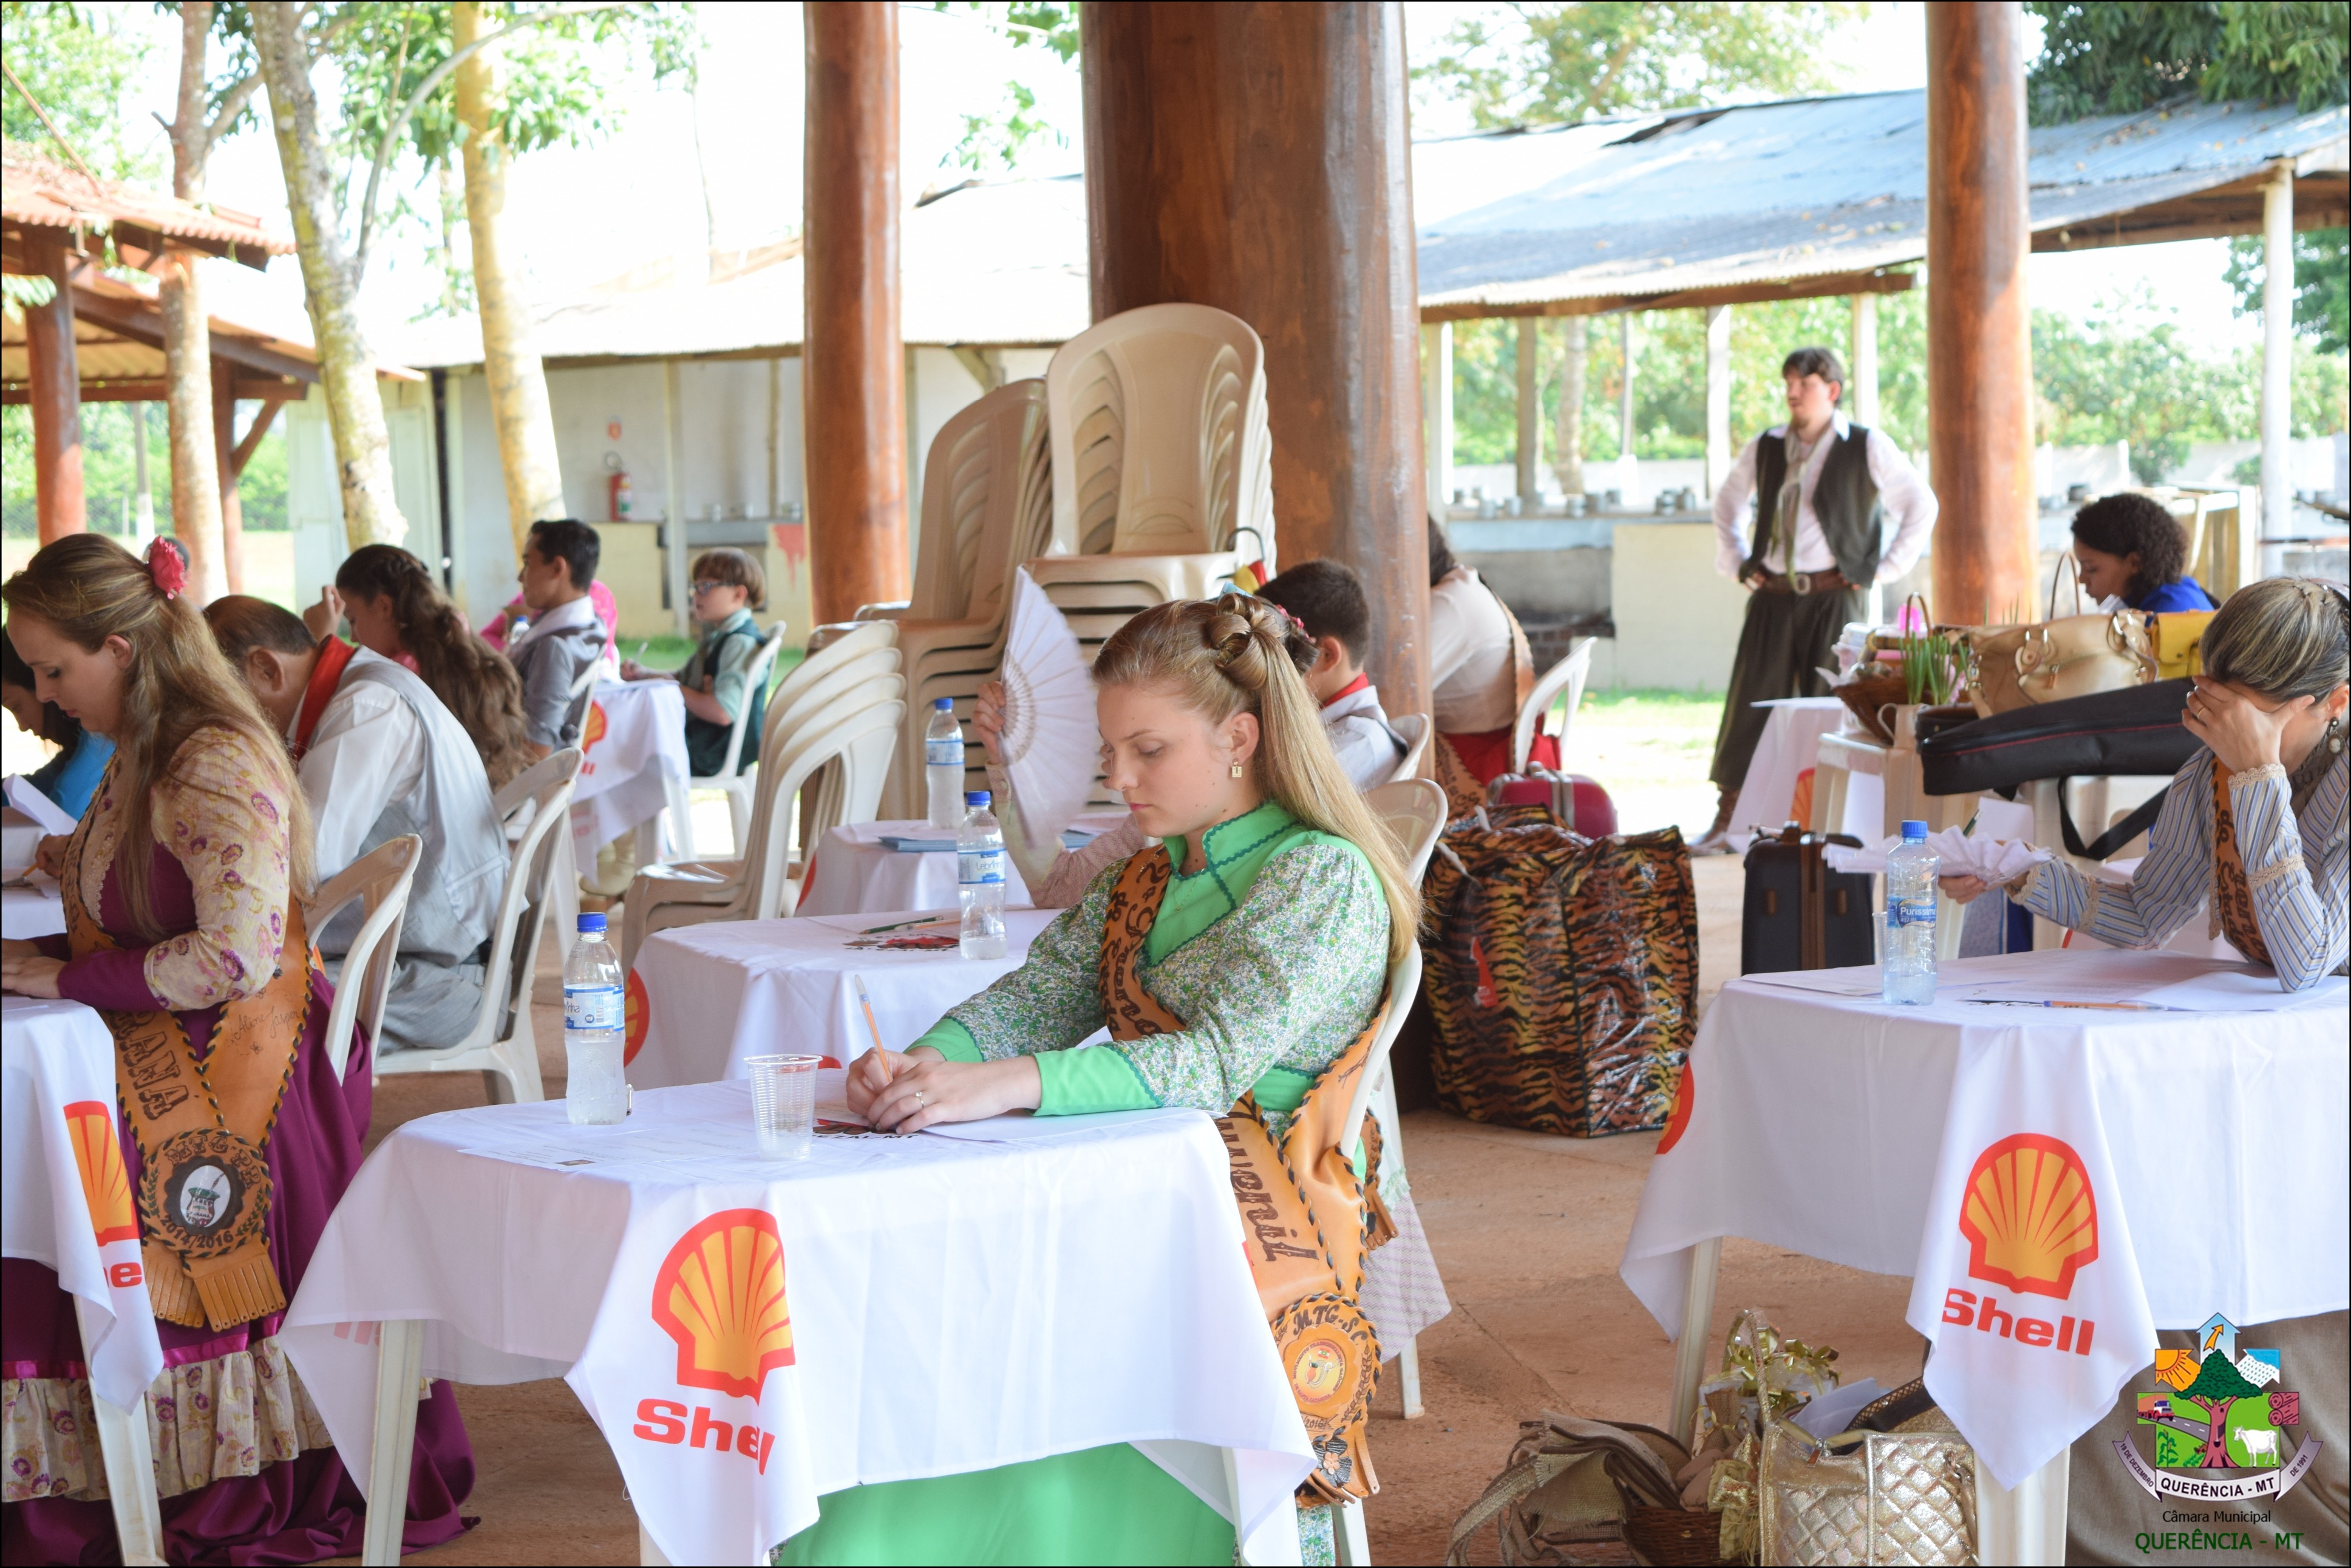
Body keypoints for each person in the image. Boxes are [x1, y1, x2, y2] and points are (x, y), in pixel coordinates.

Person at [816, 594, 1415, 1564]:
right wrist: (927, 1062)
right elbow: (1037, 998)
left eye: (1149, 749)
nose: (1119, 777)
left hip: (1254, 1217)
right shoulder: (1145, 875)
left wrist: (1005, 1083)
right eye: (1111, 751)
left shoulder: (1321, 877)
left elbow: (1212, 1063)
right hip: (1140, 1188)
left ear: (1239, 738)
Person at [0, 535, 473, 1562]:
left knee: (51, 1152)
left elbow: (237, 955)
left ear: (119, 648)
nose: (46, 696)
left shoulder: (209, 755)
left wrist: (63, 977)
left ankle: (145, 1466)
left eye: (53, 669)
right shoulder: (145, 742)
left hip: (240, 1074)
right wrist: (46, 950)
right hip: (172, 1033)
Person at [1944, 577, 2347, 990]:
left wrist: (2258, 776)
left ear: (2336, 702)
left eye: (2254, 720)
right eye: (2220, 709)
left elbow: (2305, 961)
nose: (2232, 734)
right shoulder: (2214, 767)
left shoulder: (2255, 767)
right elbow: (2146, 916)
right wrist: (2014, 866)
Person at [205, 596, 509, 1051]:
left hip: (444, 980)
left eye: (219, 700)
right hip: (417, 953)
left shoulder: (368, 706)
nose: (222, 723)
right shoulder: (352, 689)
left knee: (232, 1014)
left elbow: (301, 867)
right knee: (222, 987)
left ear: (266, 668)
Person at [1695, 345, 1938, 854]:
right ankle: (1731, 819)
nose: (1792, 393)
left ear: (1832, 390)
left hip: (1835, 597)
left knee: (1833, 709)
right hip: (1773, 596)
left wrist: (1880, 570)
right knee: (1750, 705)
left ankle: (1828, 824)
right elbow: (1728, 502)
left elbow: (1921, 503)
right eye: (1788, 383)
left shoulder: (1866, 445)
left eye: (1804, 384)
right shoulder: (1767, 445)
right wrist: (1739, 561)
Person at [305, 543, 537, 790]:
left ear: (384, 607)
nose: (353, 637)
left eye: (352, 620)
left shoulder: (400, 679)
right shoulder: (452, 640)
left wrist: (318, 643)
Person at [1256, 558, 1409, 790]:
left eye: (1277, 653)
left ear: (1326, 655)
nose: (1265, 667)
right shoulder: (1338, 727)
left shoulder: (1357, 741)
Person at [619, 546, 771, 777]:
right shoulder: (721, 636)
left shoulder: (739, 642)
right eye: (695, 587)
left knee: (622, 748)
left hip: (711, 751)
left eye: (706, 587)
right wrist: (646, 674)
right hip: (703, 743)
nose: (696, 595)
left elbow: (722, 711)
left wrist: (673, 687)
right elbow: (687, 679)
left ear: (738, 594)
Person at [1427, 519, 1554, 790]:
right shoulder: (1462, 585)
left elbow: (1391, 695)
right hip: (1495, 750)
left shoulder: (1449, 604)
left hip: (1480, 768)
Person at [508, 518, 609, 757]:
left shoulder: (554, 647)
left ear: (557, 568)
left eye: (528, 564)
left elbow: (537, 752)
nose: (521, 577)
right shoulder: (591, 623)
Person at [2, 634, 113, 818]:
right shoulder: (72, 757)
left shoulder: (106, 736)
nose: (22, 726)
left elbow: (66, 811)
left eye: (16, 707)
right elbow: (30, 793)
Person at [2069, 491, 2217, 614]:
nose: (2081, 579)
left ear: (2135, 563)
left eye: (2091, 569)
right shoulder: (2178, 588)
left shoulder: (2167, 615)